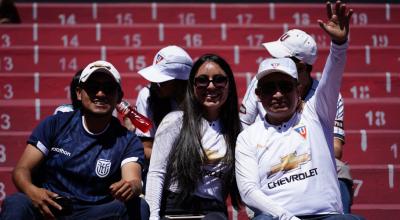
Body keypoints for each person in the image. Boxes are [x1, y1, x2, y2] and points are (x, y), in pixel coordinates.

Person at [235, 1, 363, 219]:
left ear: (298, 84)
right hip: (274, 210)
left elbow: (333, 77)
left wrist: (339, 44)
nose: (277, 94)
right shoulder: (249, 134)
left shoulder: (318, 107)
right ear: (259, 94)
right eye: (268, 89)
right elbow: (248, 185)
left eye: (285, 87)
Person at [0, 60, 148, 219]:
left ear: (119, 97)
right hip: (52, 206)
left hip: (95, 213)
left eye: (108, 88)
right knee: (16, 202)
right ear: (79, 93)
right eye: (93, 88)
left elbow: (132, 179)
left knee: (139, 207)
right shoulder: (55, 124)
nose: (100, 94)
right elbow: (21, 170)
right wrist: (32, 191)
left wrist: (131, 186)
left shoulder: (127, 140)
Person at [145, 54, 242, 219]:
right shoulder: (175, 121)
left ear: (229, 85)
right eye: (202, 80)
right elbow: (156, 173)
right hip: (175, 209)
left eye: (219, 80)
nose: (211, 86)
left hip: (213, 212)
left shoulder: (238, 129)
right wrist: (153, 217)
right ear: (192, 86)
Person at [132, 45, 192, 187]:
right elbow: (145, 148)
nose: (155, 84)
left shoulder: (200, 99)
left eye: (162, 81)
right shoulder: (147, 95)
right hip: (160, 172)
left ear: (180, 83)